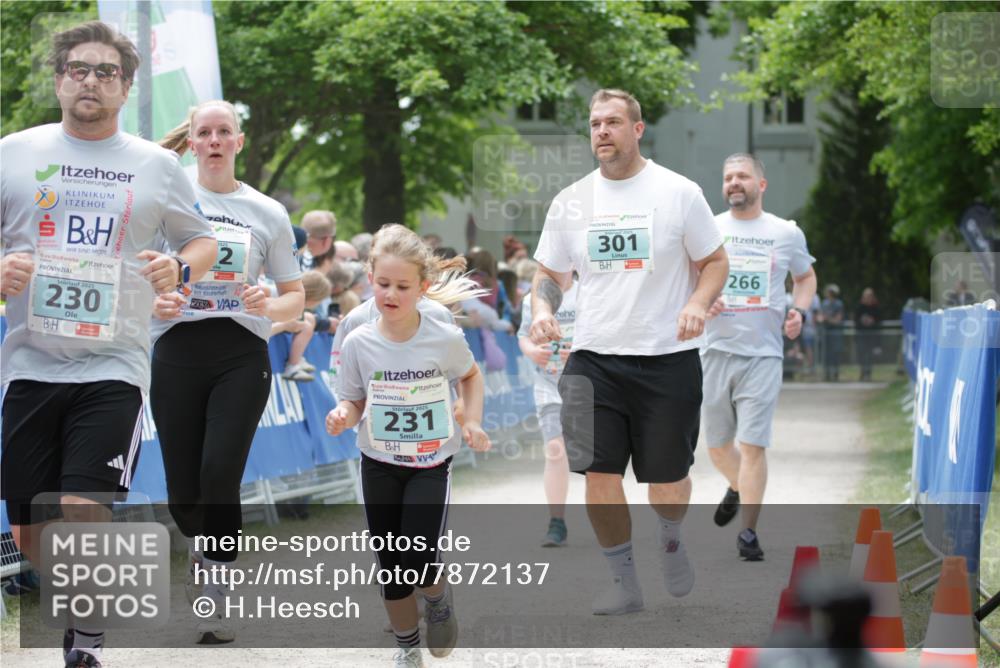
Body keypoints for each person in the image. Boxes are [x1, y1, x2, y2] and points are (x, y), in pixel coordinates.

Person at [0, 21, 217, 668]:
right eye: (77, 68)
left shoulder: (155, 165)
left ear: (126, 86)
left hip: (115, 363)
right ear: (59, 77)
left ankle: (86, 644)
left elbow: (199, 241)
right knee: (30, 531)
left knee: (79, 504)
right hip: (29, 365)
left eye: (105, 71)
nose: (89, 80)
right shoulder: (13, 151)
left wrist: (178, 270)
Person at [529, 89, 728, 615]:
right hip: (594, 359)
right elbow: (549, 273)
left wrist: (698, 302)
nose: (601, 132)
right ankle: (623, 581)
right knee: (599, 474)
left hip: (667, 357)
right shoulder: (571, 201)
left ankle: (669, 539)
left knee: (667, 481)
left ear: (637, 129)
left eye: (613, 122)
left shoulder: (679, 192)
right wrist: (543, 310)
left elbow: (714, 262)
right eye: (595, 123)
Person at [153, 99, 305, 643]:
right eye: (204, 133)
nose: (214, 141)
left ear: (239, 142)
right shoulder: (166, 201)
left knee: (220, 472)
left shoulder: (266, 211)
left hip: (240, 353)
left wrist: (268, 304)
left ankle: (215, 584)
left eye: (224, 132)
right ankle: (200, 545)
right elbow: (139, 282)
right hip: (175, 351)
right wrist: (158, 304)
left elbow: (296, 298)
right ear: (191, 143)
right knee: (182, 492)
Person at [326, 224, 491, 667]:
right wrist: (344, 414)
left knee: (418, 552)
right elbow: (354, 397)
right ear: (369, 280)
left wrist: (470, 418)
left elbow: (470, 376)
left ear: (423, 287)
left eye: (402, 286)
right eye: (383, 284)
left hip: (430, 462)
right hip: (378, 460)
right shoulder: (359, 340)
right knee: (392, 562)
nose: (391, 294)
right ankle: (406, 650)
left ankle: (437, 598)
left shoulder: (443, 336)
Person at [702, 153, 817, 561]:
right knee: (717, 447)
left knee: (753, 445)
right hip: (714, 351)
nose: (735, 182)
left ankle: (748, 532)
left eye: (743, 176)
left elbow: (805, 277)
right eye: (728, 177)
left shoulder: (785, 233)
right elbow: (687, 280)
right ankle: (737, 486)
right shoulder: (709, 229)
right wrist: (703, 301)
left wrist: (798, 311)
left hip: (763, 354)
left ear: (761, 185)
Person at [518, 277, 579, 546]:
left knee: (599, 458)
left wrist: (577, 351)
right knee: (555, 450)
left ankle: (608, 518)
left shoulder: (587, 292)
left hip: (588, 385)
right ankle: (557, 521)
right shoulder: (529, 300)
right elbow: (522, 335)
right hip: (548, 384)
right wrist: (532, 351)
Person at [817, 284, 845, 381]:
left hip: (835, 332)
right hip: (825, 332)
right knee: (826, 354)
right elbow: (820, 316)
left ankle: (835, 374)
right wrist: (822, 319)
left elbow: (837, 320)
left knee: (835, 353)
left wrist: (827, 319)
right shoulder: (824, 303)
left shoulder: (838, 304)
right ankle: (827, 374)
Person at [853, 287, 881, 381]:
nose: (868, 298)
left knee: (870, 355)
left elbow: (879, 320)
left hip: (871, 336)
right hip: (861, 335)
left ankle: (868, 373)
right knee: (861, 354)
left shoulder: (875, 307)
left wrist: (872, 321)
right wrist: (863, 321)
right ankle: (862, 372)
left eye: (870, 296)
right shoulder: (859, 306)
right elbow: (856, 320)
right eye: (866, 296)